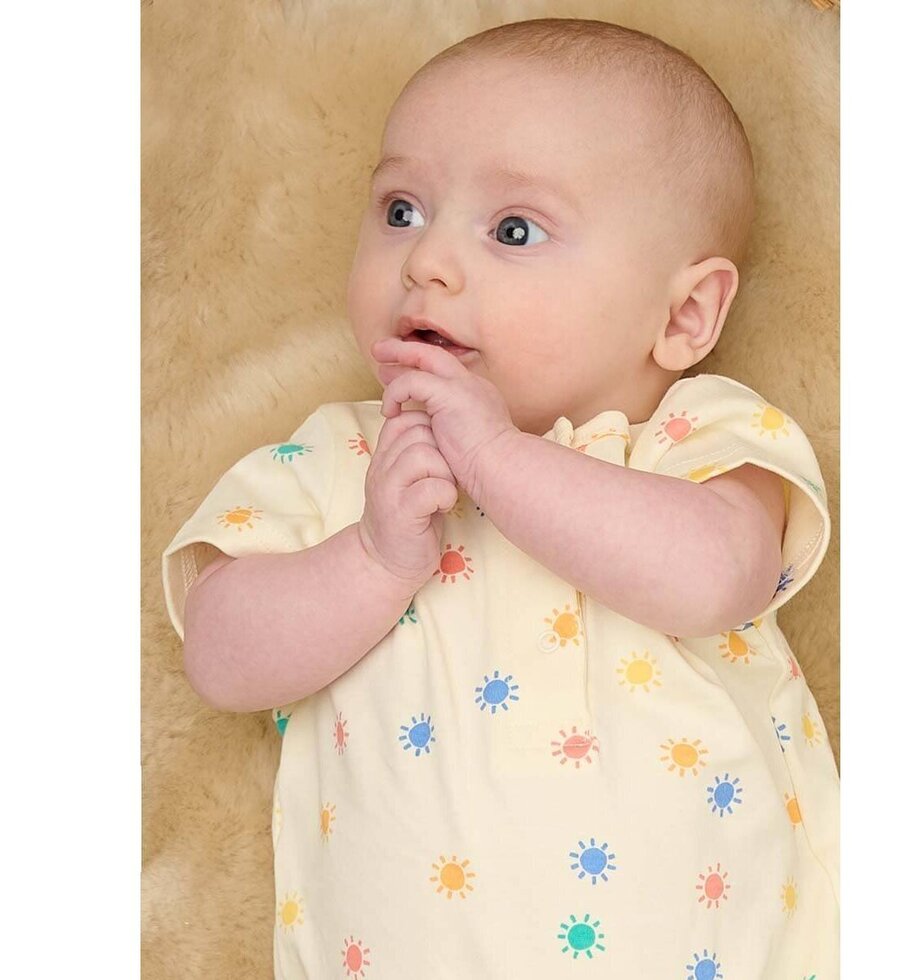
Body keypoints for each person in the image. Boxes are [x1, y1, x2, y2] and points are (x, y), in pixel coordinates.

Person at [162, 18, 838, 979]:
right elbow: (222, 661)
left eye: (514, 230)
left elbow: (720, 578)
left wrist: (497, 462)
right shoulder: (342, 458)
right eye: (401, 209)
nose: (426, 261)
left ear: (684, 316)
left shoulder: (693, 439)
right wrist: (370, 557)